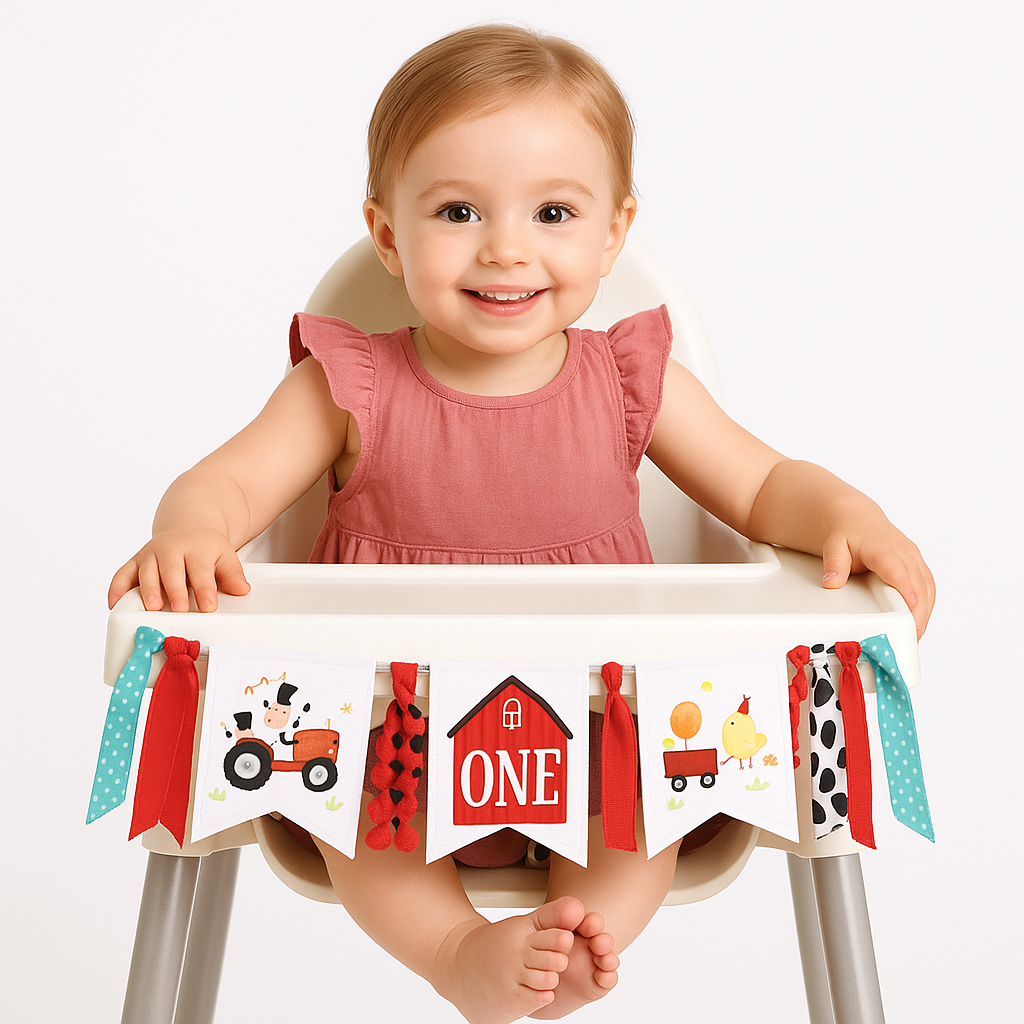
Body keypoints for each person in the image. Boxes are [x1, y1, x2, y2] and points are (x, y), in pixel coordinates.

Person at [108, 24, 934, 1024]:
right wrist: (191, 529)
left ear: (612, 233)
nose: (506, 247)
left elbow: (764, 489)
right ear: (387, 235)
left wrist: (847, 510)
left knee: (652, 795)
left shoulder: (635, 382)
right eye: (458, 210)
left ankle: (583, 934)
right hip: (390, 747)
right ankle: (459, 952)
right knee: (341, 802)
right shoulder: (343, 386)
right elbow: (223, 488)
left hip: (597, 742)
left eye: (552, 212)